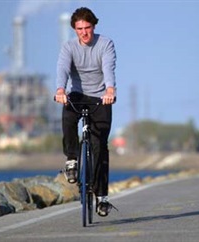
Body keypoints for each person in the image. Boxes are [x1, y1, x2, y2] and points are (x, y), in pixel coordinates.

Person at [54, 7, 117, 217]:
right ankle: (71, 158)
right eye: (79, 28)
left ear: (94, 26)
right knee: (68, 116)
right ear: (74, 29)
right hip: (78, 95)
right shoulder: (68, 47)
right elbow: (62, 68)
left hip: (101, 96)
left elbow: (109, 67)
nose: (84, 32)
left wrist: (110, 89)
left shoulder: (105, 44)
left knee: (100, 146)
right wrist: (60, 90)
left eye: (87, 27)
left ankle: (101, 197)